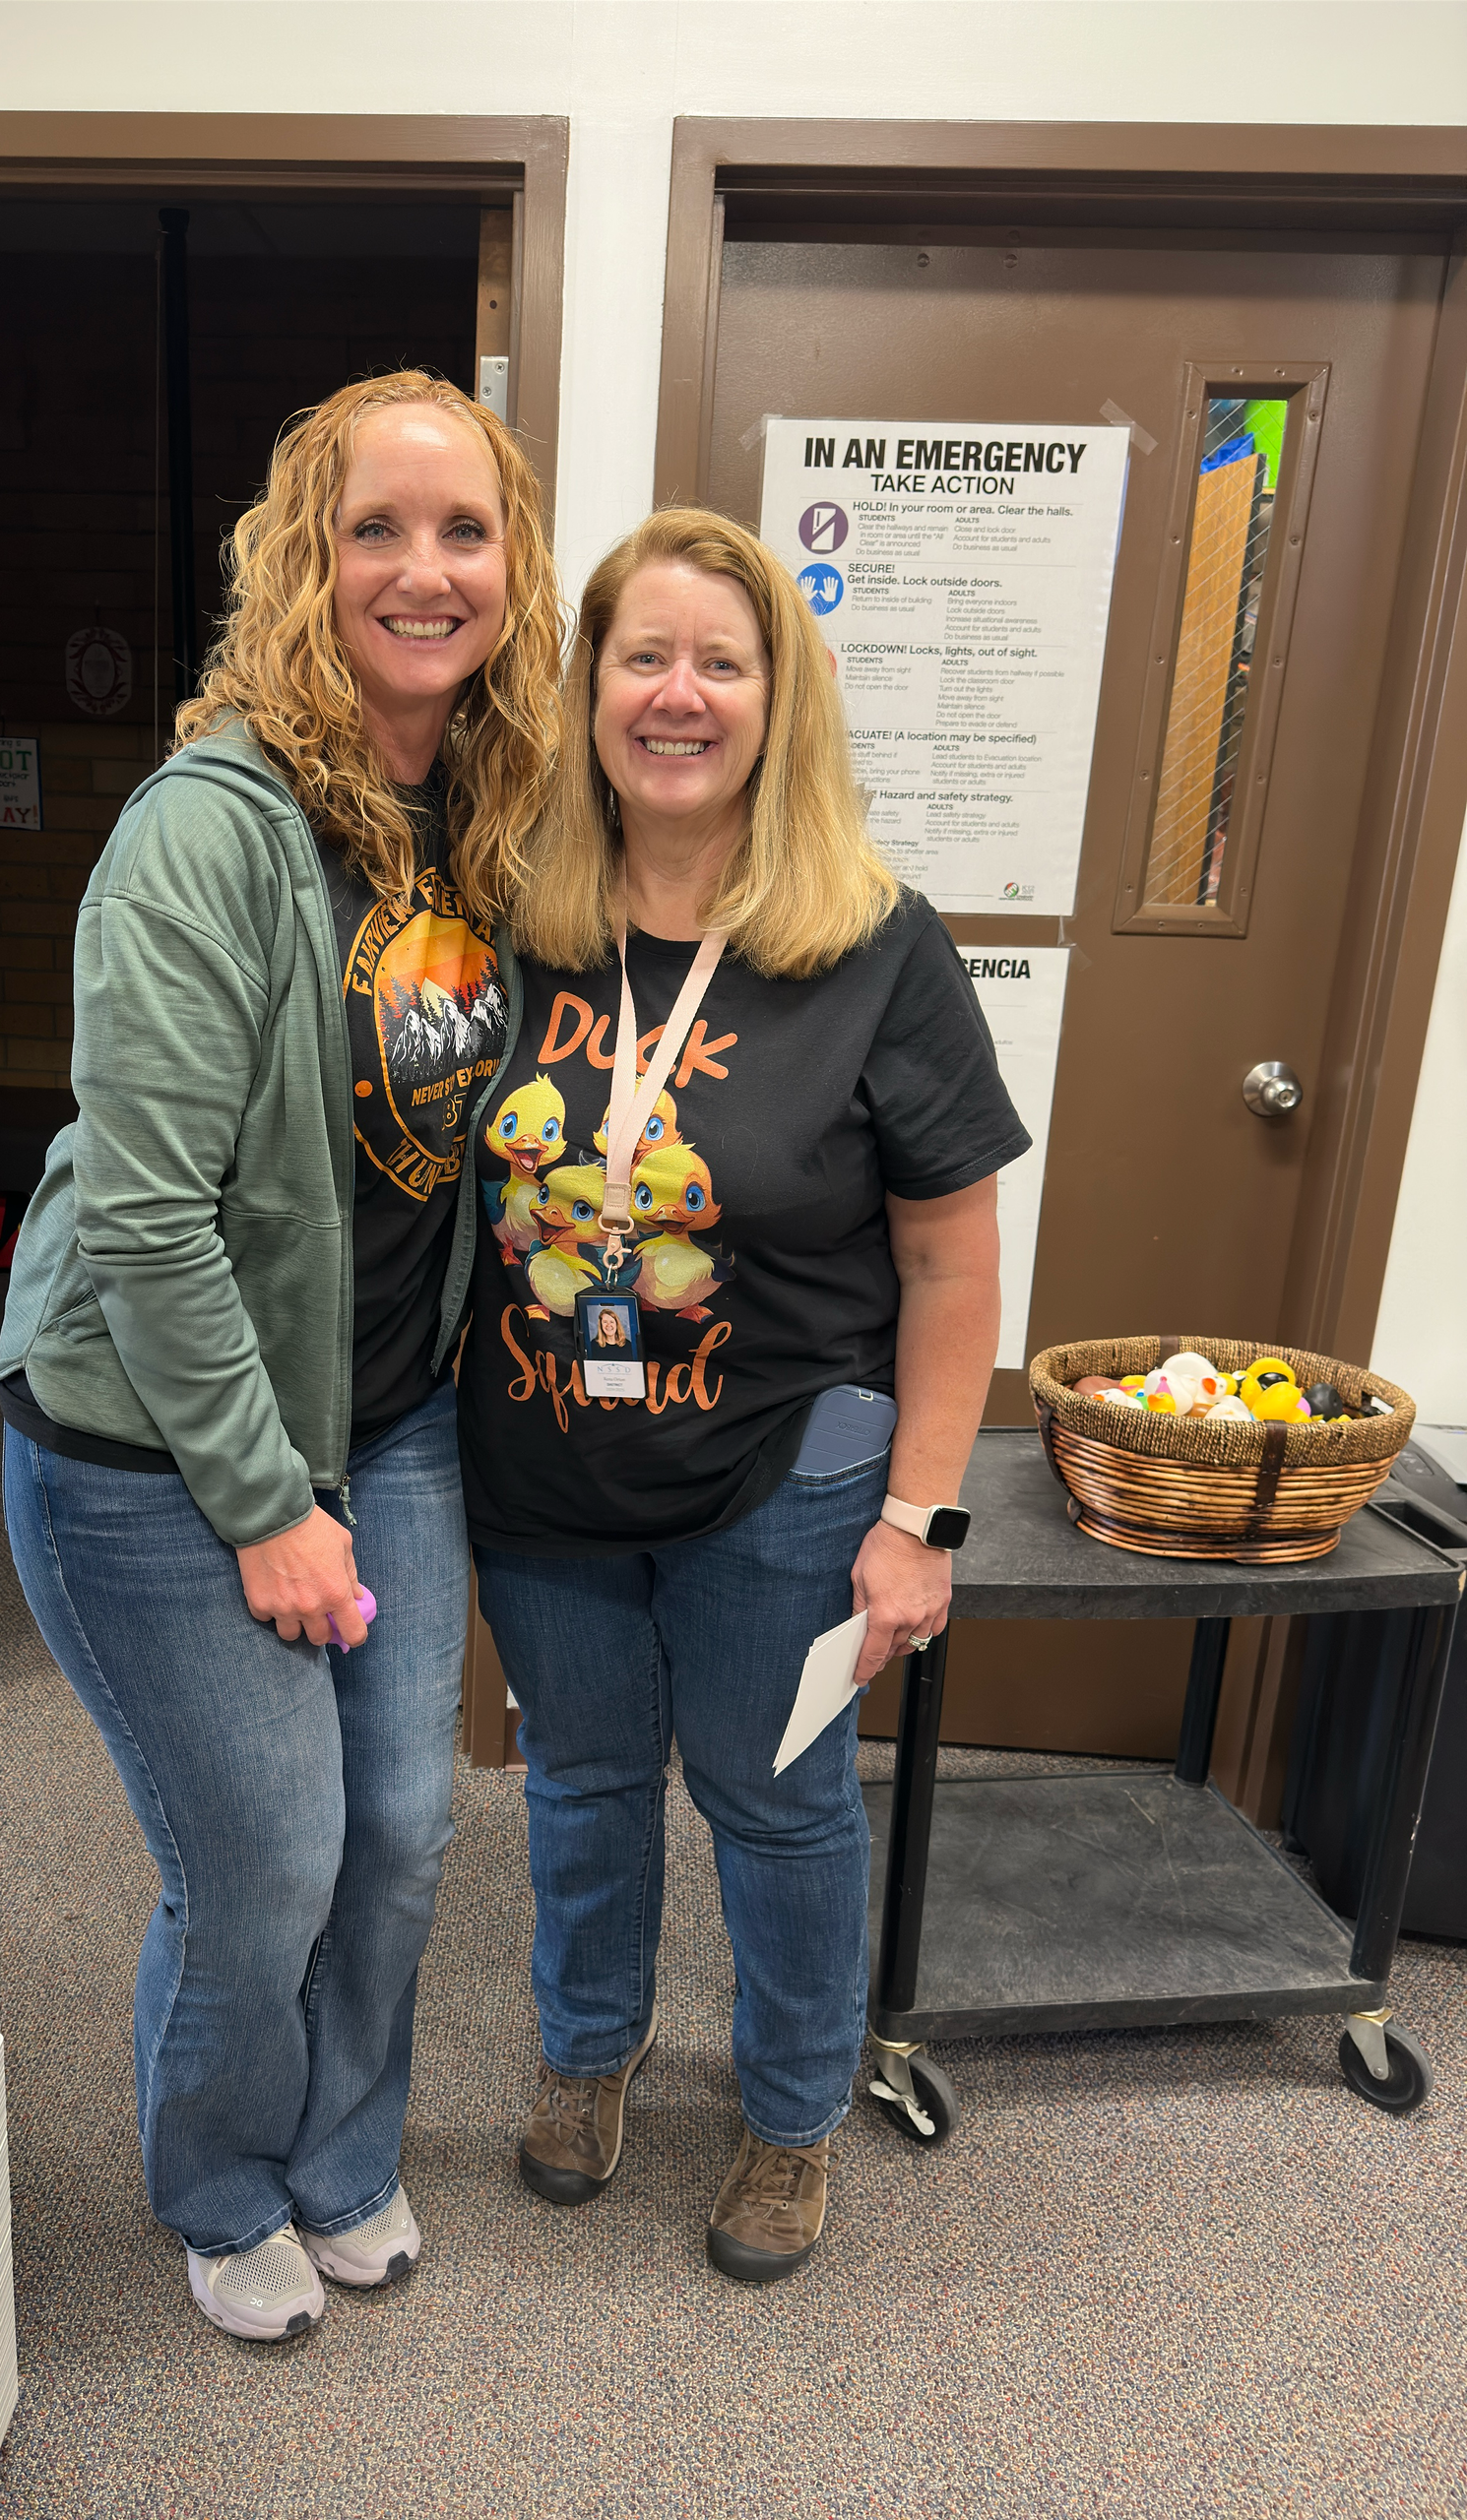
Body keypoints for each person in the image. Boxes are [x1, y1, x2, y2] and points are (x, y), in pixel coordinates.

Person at [0, 372, 559, 2340]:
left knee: (406, 1826)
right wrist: (266, 1504)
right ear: (301, 564)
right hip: (156, 1445)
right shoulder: (206, 833)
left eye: (464, 530)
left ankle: (339, 2150)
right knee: (268, 1862)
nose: (424, 568)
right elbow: (146, 1225)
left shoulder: (476, 815)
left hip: (383, 1412)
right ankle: (220, 2175)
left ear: (511, 567)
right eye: (375, 528)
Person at [458, 508, 1026, 2285]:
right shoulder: (510, 925)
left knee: (778, 1808)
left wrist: (920, 1521)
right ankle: (588, 2053)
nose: (679, 694)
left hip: (787, 1471)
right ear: (592, 689)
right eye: (644, 658)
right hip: (545, 1467)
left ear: (780, 699)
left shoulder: (874, 944)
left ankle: (790, 2118)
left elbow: (951, 1270)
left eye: (722, 660)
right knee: (585, 1785)